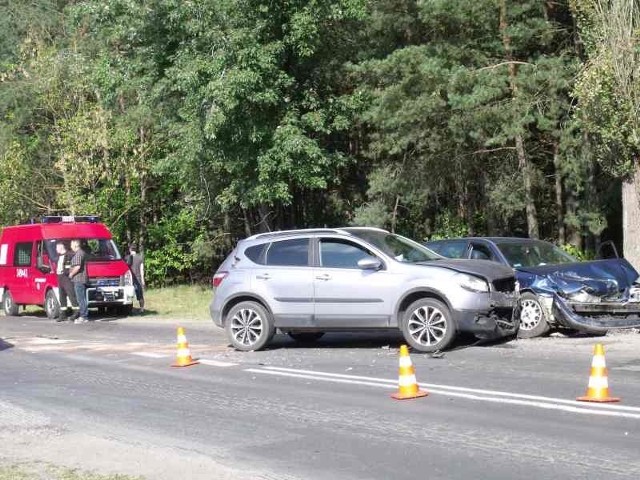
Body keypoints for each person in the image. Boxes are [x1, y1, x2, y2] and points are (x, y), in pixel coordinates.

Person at [54, 241, 78, 322]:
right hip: (60, 277)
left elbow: (72, 266)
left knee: (71, 295)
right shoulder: (59, 256)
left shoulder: (70, 255)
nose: (56, 249)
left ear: (61, 247)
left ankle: (76, 312)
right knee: (62, 296)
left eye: (57, 247)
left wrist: (67, 272)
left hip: (67, 278)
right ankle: (63, 314)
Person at [68, 239, 89, 323]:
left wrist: (71, 274)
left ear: (76, 245)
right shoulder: (81, 253)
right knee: (82, 298)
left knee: (80, 299)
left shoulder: (79, 254)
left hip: (79, 279)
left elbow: (77, 267)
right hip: (80, 279)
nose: (70, 246)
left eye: (71, 245)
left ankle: (83, 316)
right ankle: (84, 316)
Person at [128, 243, 145, 313]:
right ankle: (142, 308)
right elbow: (142, 270)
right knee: (140, 295)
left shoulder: (128, 258)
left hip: (130, 279)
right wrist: (143, 280)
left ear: (130, 249)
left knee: (129, 295)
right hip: (138, 278)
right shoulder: (140, 258)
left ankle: (130, 309)